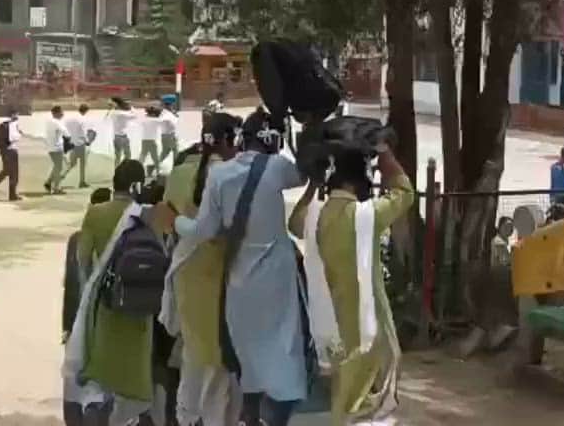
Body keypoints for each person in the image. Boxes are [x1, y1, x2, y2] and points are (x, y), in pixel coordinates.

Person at [159, 110, 308, 426]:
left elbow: (203, 232)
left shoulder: (215, 175)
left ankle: (234, 417)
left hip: (232, 281)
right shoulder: (277, 166)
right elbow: (304, 174)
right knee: (283, 353)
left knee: (238, 359)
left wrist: (176, 222)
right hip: (275, 280)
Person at [288, 133, 413, 424]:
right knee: (366, 401)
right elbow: (405, 194)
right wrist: (386, 158)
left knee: (344, 393)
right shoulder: (365, 216)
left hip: (331, 325)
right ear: (358, 180)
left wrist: (313, 187)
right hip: (367, 324)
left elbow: (294, 222)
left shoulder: (315, 217)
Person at [160, 112, 244, 426]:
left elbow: (166, 220)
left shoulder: (180, 172)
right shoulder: (231, 175)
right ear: (229, 140)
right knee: (220, 362)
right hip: (222, 277)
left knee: (193, 354)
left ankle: (186, 417)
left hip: (186, 273)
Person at [64, 159, 158, 425]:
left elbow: (83, 262)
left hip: (105, 305)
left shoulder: (96, 213)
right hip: (141, 306)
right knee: (134, 376)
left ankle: (99, 411)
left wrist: (88, 299)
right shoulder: (148, 215)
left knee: (102, 373)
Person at [63, 187, 114, 426]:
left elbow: (71, 286)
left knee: (77, 379)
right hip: (97, 317)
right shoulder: (116, 238)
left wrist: (66, 324)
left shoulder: (78, 239)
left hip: (81, 317)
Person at [63, 104, 93, 190]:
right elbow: (82, 132)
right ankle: (82, 182)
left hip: (72, 143)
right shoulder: (82, 119)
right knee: (82, 164)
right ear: (86, 111)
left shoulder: (71, 118)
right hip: (80, 144)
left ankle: (61, 177)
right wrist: (87, 141)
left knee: (72, 164)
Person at [44, 105, 70, 195]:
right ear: (56, 113)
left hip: (51, 147)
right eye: (61, 112)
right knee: (60, 168)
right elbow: (66, 134)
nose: (63, 113)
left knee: (58, 167)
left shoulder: (50, 122)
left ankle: (48, 182)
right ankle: (56, 188)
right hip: (57, 148)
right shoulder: (57, 122)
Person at [109, 97, 137, 166]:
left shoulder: (114, 112)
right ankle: (122, 170)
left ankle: (118, 171)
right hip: (122, 137)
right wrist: (131, 107)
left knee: (118, 156)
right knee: (127, 155)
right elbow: (134, 115)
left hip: (117, 137)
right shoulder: (120, 113)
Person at [140, 107, 163, 176]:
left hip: (144, 140)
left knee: (143, 156)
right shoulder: (155, 120)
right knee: (155, 157)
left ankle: (138, 170)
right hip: (151, 140)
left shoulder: (145, 120)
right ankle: (158, 171)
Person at [158, 104, 179, 170]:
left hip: (164, 136)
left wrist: (174, 116)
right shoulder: (167, 115)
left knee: (165, 152)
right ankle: (176, 167)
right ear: (169, 106)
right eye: (171, 106)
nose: (172, 107)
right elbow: (173, 125)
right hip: (169, 136)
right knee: (175, 151)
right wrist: (175, 117)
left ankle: (154, 165)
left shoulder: (163, 113)